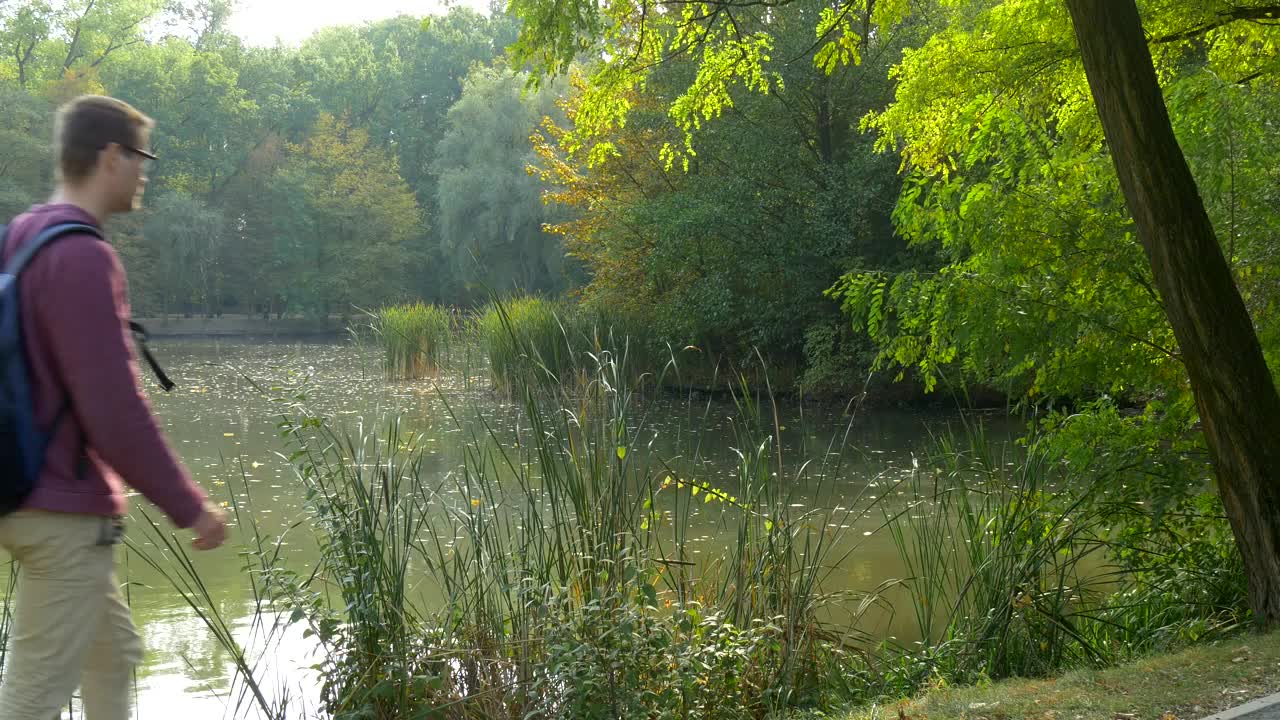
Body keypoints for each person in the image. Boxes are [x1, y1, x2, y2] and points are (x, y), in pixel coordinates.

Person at [0, 95, 227, 719]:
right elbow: (113, 413)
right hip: (61, 518)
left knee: (114, 654)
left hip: (22, 492)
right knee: (32, 699)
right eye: (141, 156)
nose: (145, 172)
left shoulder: (21, 235)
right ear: (110, 157)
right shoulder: (82, 256)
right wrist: (191, 508)